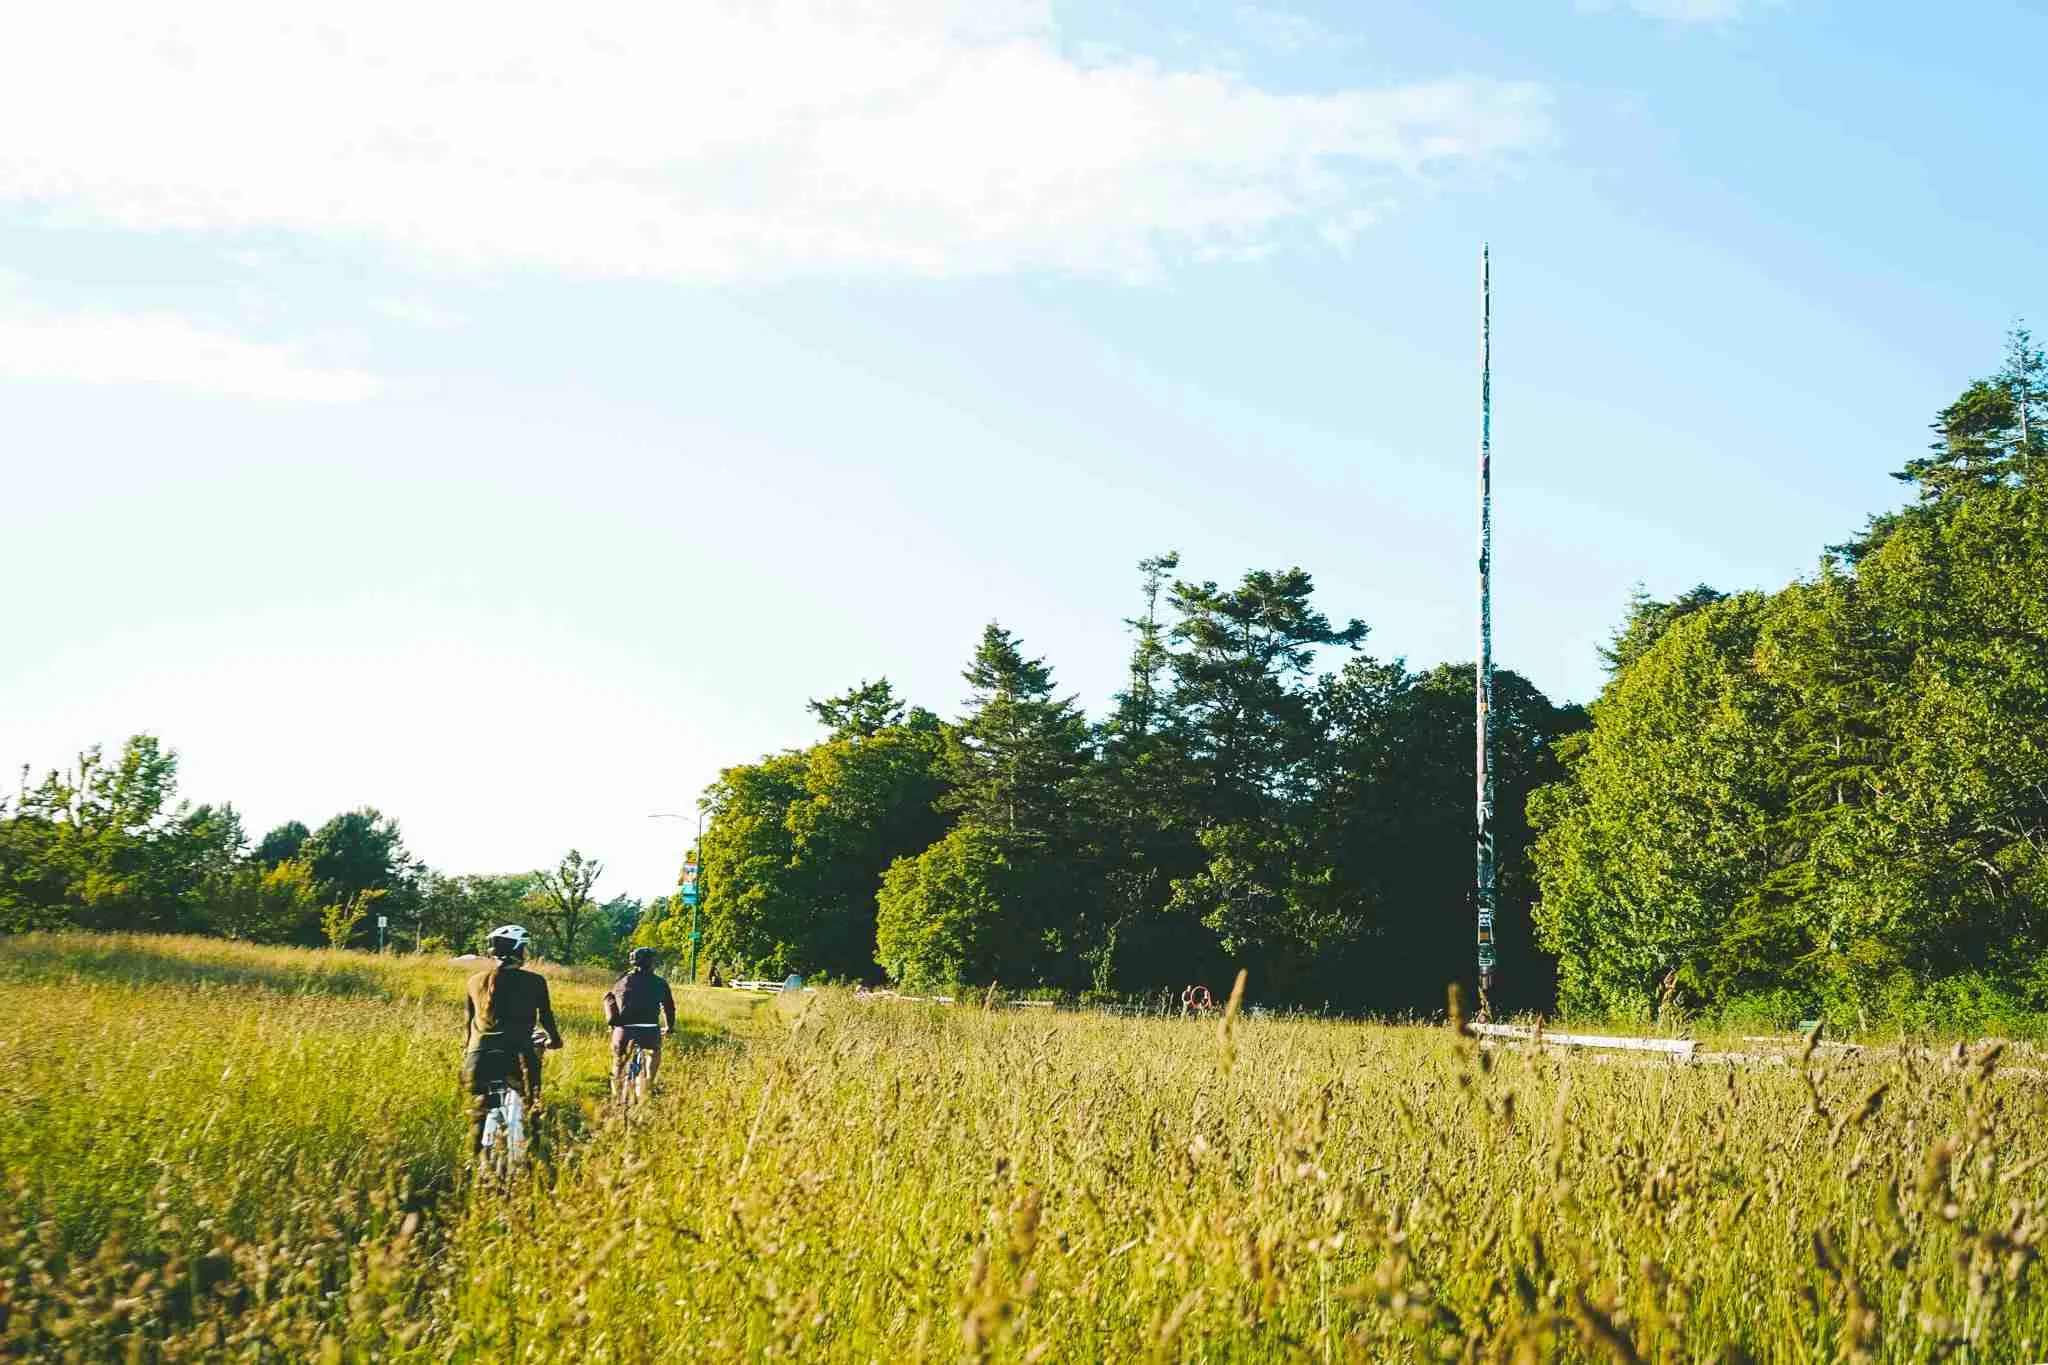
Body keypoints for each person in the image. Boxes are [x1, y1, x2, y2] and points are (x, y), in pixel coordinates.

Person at [463, 924, 563, 1155]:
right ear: (518, 950)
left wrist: (468, 1050)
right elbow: (546, 1017)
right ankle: (533, 1156)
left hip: (478, 1058)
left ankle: (474, 1160)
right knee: (532, 1106)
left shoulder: (474, 981)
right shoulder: (535, 981)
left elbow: (468, 1023)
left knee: (479, 1112)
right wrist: (555, 1040)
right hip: (517, 1054)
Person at [604, 946, 677, 1100]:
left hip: (624, 1031)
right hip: (649, 1030)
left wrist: (613, 1026)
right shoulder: (660, 983)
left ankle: (616, 1093)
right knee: (654, 1051)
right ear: (651, 963)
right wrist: (669, 1027)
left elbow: (613, 1003)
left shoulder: (622, 981)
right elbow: (669, 1008)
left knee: (618, 1060)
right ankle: (648, 1082)